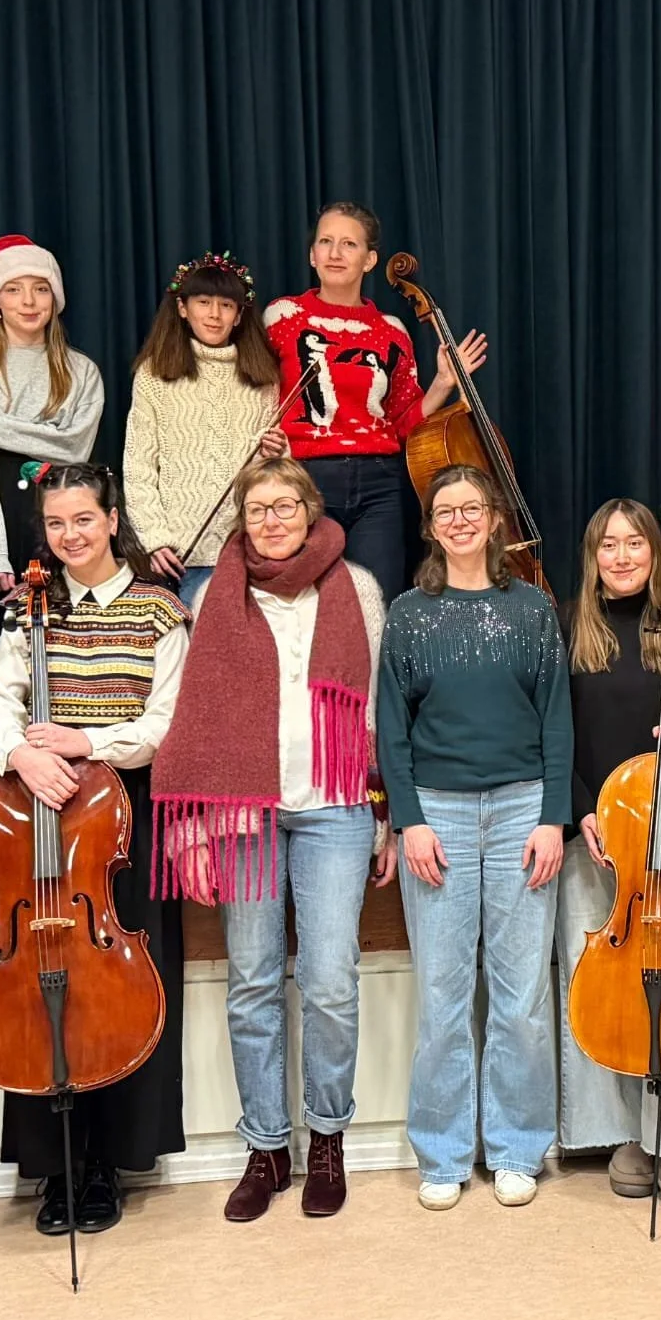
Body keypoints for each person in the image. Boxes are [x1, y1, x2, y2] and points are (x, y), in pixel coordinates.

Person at [154, 456, 393, 1222]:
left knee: (327, 980)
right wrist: (192, 825)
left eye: (285, 505)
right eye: (258, 509)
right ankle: (266, 1146)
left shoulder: (356, 588)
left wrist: (385, 812)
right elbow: (194, 720)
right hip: (243, 813)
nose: (273, 519)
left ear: (310, 509)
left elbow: (380, 710)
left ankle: (327, 1136)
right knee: (253, 979)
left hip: (337, 807)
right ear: (241, 519)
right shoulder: (212, 594)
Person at [0, 462, 190, 1235]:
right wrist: (20, 756)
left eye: (84, 520)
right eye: (56, 524)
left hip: (121, 816)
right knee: (40, 981)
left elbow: (168, 724)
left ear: (111, 519)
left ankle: (111, 1159)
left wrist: (88, 741)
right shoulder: (24, 611)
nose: (70, 536)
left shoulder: (159, 612)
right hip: (38, 805)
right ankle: (57, 1165)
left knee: (117, 981)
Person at [378, 464, 570, 1210]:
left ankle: (519, 1147)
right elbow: (391, 727)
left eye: (472, 509)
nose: (459, 521)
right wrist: (410, 820)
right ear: (431, 527)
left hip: (524, 809)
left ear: (495, 521)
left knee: (521, 997)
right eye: (444, 511)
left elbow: (556, 717)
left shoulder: (530, 609)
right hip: (440, 815)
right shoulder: (408, 613)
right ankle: (444, 1153)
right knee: (443, 994)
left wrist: (552, 815)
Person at [555, 499, 661, 1208]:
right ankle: (617, 1132)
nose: (621, 557)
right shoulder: (567, 628)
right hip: (594, 831)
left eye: (634, 544)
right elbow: (550, 732)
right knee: (604, 985)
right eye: (607, 546)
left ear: (656, 554)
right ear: (592, 557)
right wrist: (581, 807)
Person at [262, 201, 486, 599]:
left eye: (349, 244)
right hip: (306, 478)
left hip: (379, 484)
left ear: (369, 260)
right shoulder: (282, 316)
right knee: (308, 602)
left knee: (378, 602)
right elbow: (258, 398)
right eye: (326, 242)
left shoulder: (392, 331)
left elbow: (402, 424)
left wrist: (443, 383)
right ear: (312, 254)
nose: (335, 253)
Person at [0, 234, 106, 635]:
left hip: (61, 513)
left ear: (55, 299)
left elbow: (74, 446)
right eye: (14, 290)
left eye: (41, 289)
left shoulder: (81, 370)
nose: (29, 302)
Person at [124, 251, 290, 608]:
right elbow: (138, 467)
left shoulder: (262, 379)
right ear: (183, 308)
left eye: (226, 305)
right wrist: (155, 539)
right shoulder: (154, 375)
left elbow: (279, 473)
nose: (214, 314)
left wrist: (277, 452)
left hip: (252, 550)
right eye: (203, 302)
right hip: (185, 557)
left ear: (239, 314)